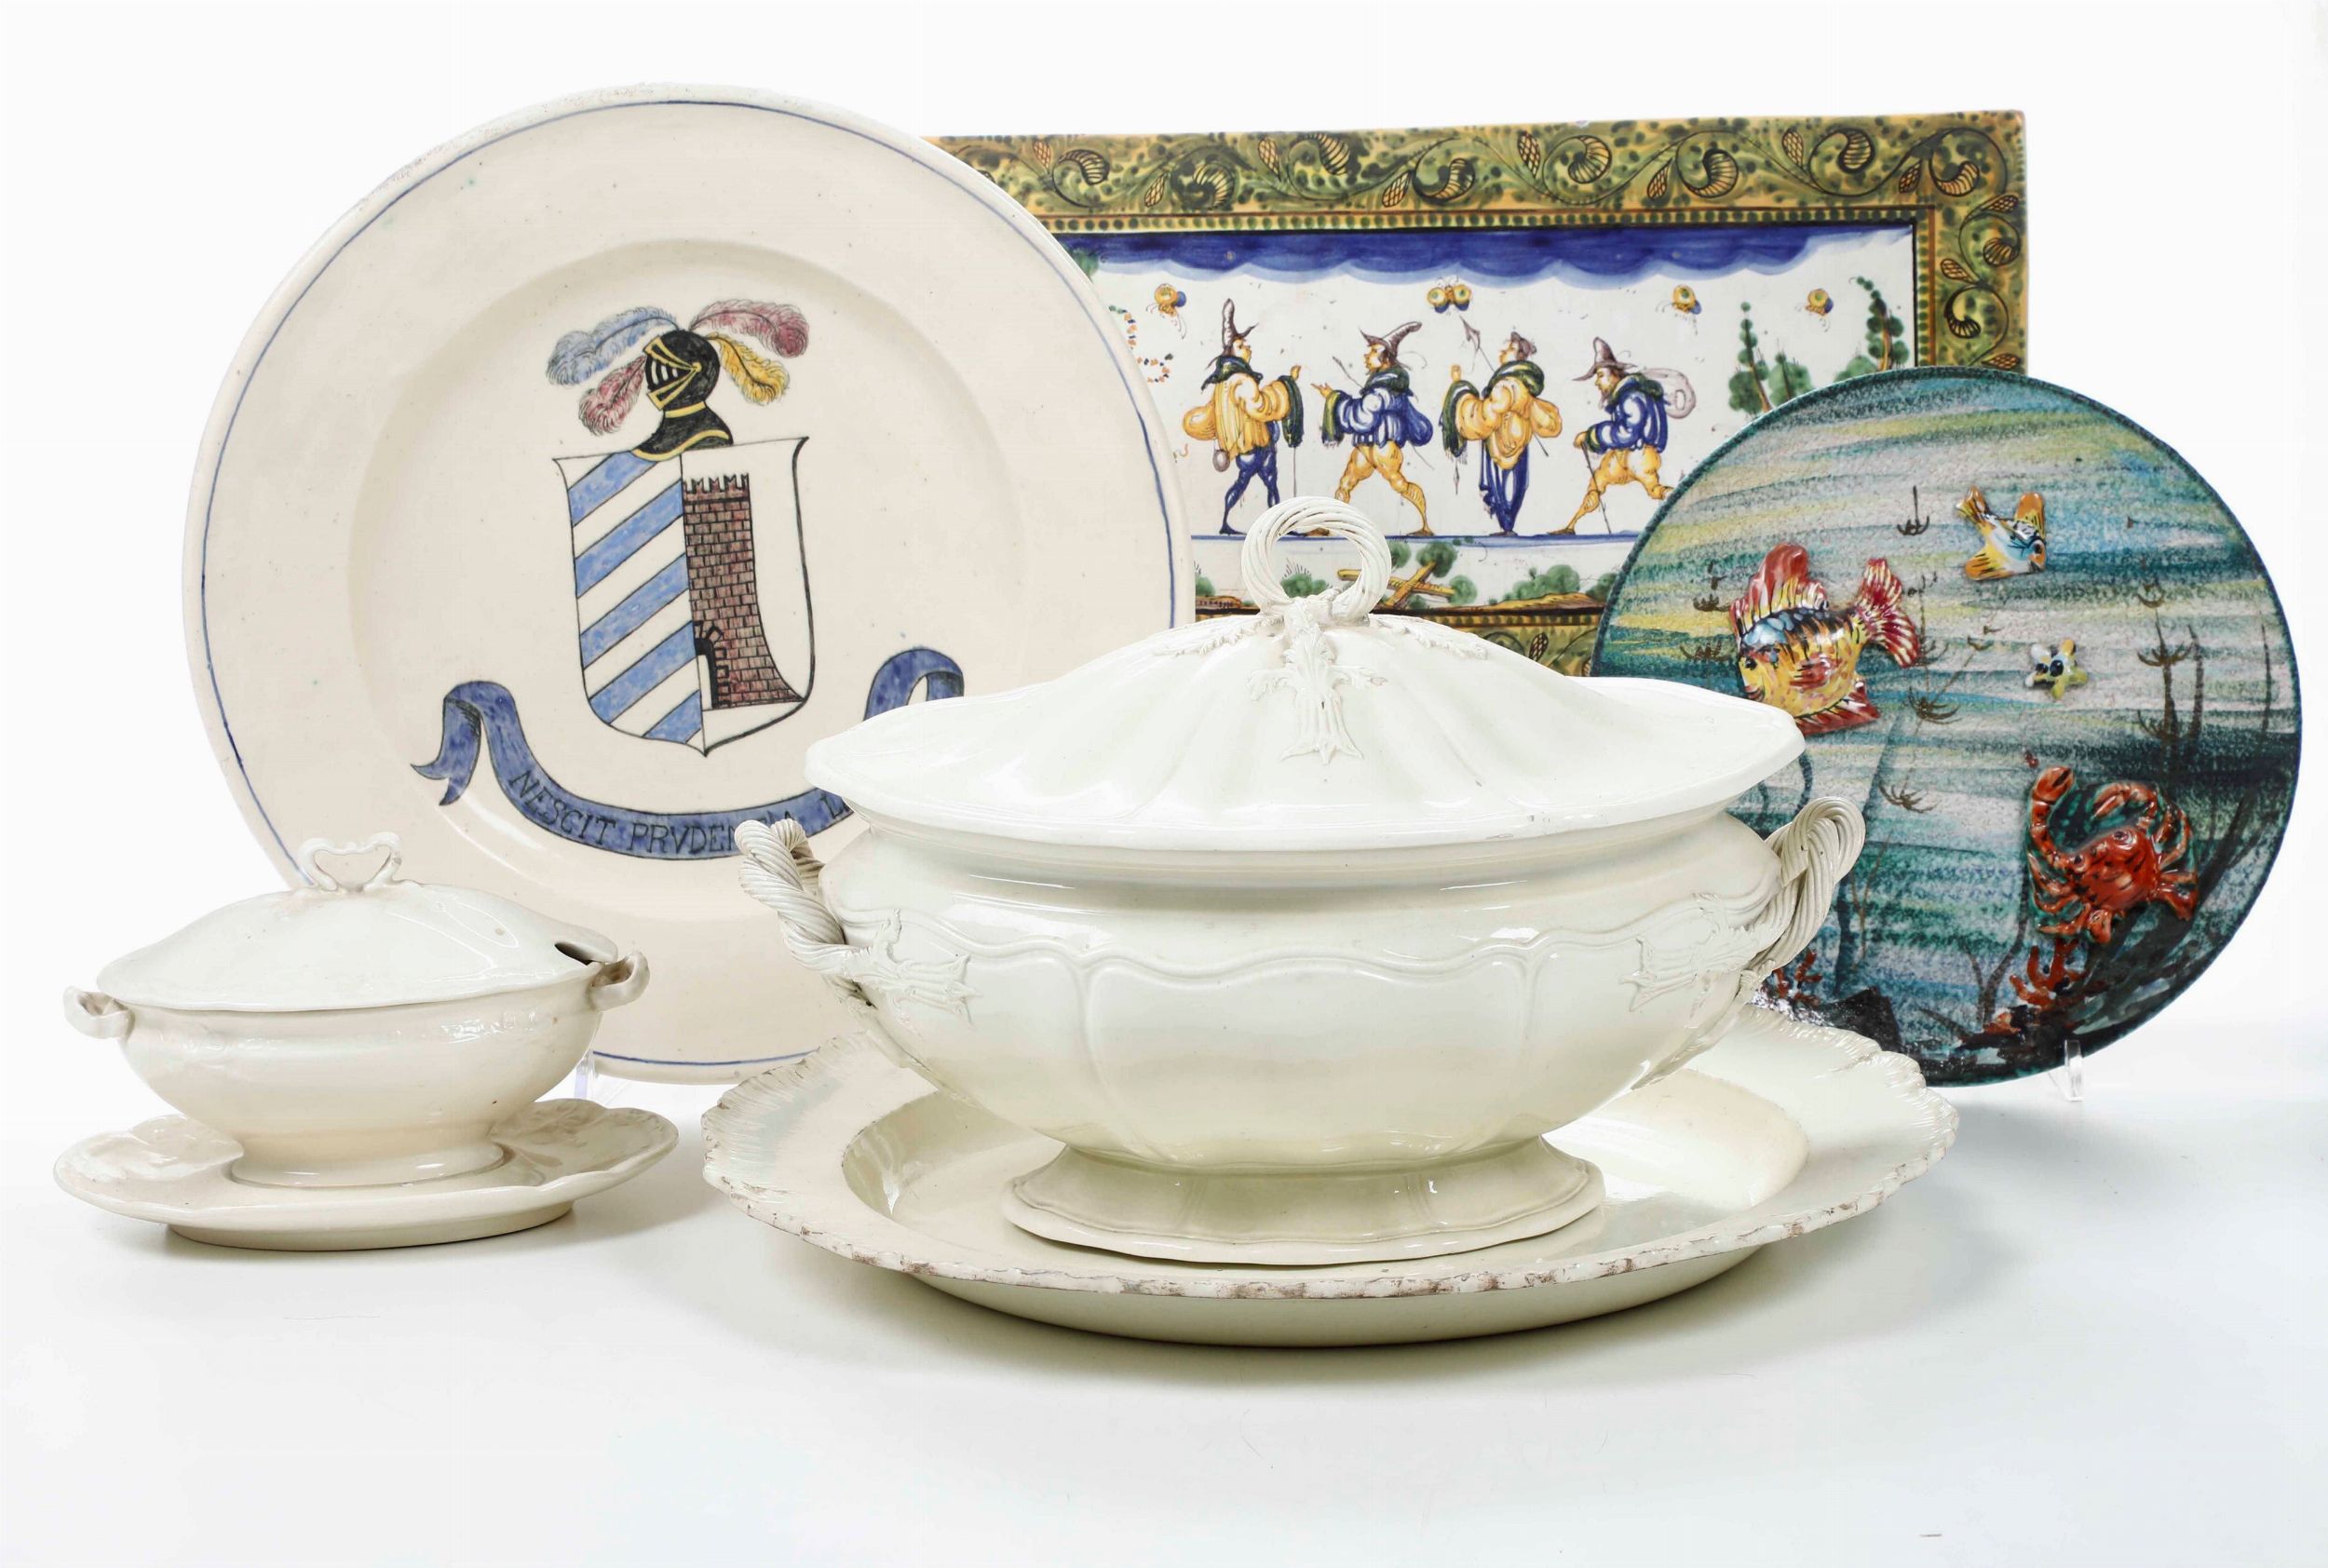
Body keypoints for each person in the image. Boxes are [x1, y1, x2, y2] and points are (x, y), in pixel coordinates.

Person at [1181, 302, 1303, 534]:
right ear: (1231, 353)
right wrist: (1287, 384)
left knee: (1262, 484)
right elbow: (1261, 406)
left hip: (1251, 445)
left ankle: (1237, 523)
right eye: (1240, 345)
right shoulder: (1241, 380)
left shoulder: (1224, 383)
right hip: (1253, 445)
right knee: (1258, 483)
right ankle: (1237, 523)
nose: (1247, 347)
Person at [1315, 321, 1435, 533]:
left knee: (1399, 484)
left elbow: (1363, 416)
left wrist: (1334, 398)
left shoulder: (1383, 390)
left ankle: (1425, 524)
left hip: (1383, 445)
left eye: (1372, 351)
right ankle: (1329, 526)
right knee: (1347, 481)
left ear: (1386, 358)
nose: (1366, 355)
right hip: (1366, 445)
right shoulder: (1380, 386)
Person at [1441, 331, 1563, 534]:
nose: (1504, 351)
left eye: (1511, 348)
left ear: (1521, 357)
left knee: (1507, 486)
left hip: (1500, 445)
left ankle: (1507, 526)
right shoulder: (1514, 386)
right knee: (1514, 485)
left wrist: (1459, 390)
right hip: (1508, 442)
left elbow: (1483, 416)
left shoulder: (1506, 387)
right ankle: (1507, 525)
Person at [1567, 337, 1675, 529]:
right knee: (1598, 481)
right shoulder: (1624, 397)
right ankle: (1572, 524)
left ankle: (1678, 500)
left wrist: (1592, 436)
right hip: (1625, 455)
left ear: (1615, 374)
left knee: (1654, 489)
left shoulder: (1632, 397)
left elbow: (1627, 433)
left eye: (1601, 375)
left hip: (1640, 454)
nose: (1597, 383)